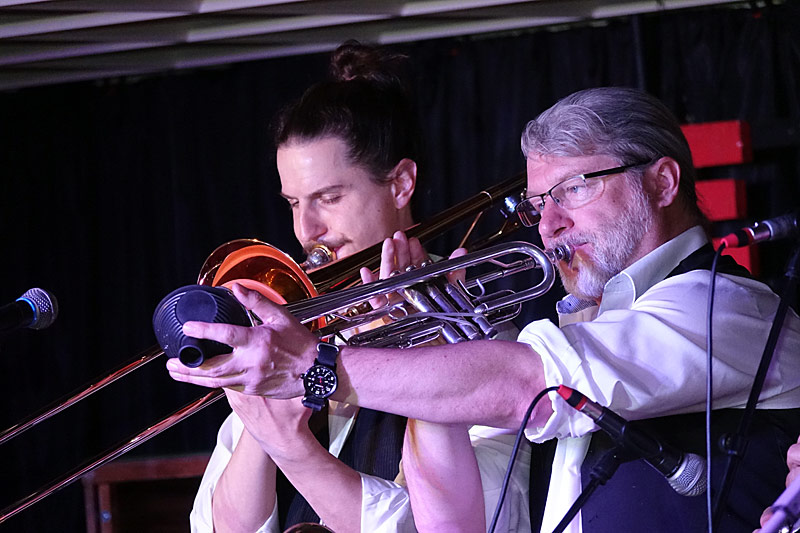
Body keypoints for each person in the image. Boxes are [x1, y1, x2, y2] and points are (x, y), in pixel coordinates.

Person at [169, 86, 800, 532]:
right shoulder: (576, 322)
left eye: (574, 189)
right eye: (536, 202)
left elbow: (529, 382)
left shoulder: (729, 309)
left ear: (661, 182)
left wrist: (319, 365)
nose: (548, 225)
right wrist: (431, 343)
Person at [188, 41, 530, 533]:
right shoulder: (293, 329)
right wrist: (262, 426)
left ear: (400, 184)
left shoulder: (479, 334)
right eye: (292, 203)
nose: (307, 229)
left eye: (328, 197)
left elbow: (465, 524)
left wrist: (293, 447)